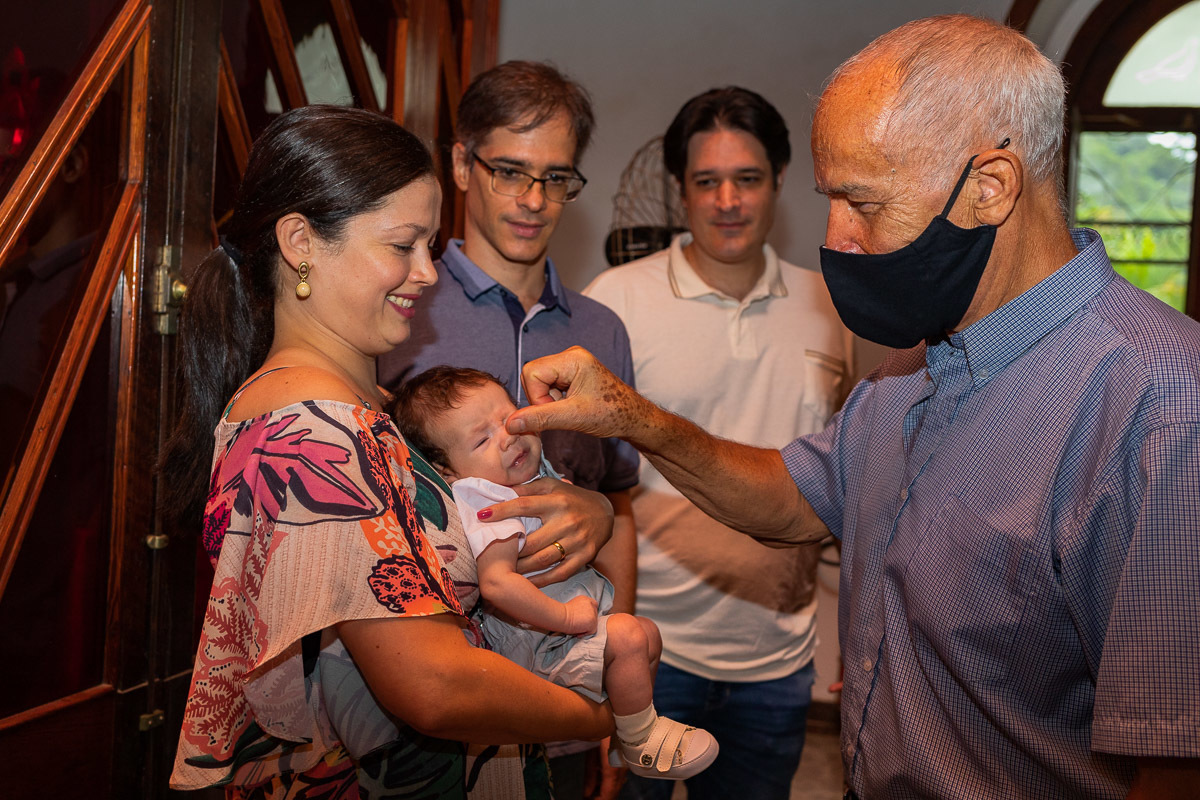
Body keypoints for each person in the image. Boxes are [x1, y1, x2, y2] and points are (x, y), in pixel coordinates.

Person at [503, 15, 1200, 800]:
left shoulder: (1161, 402)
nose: (837, 238)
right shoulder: (918, 360)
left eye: (863, 202)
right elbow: (795, 498)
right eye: (830, 199)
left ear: (992, 187)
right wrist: (635, 417)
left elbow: (1174, 762)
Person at [160, 105, 619, 799]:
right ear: (301, 243)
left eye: (430, 244)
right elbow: (431, 685)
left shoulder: (350, 409)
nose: (428, 273)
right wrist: (615, 712)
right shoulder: (317, 430)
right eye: (402, 245)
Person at [376, 59, 640, 795]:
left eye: (557, 178)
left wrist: (620, 682)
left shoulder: (600, 331)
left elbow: (617, 499)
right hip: (433, 702)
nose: (533, 200)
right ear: (461, 164)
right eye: (509, 172)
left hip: (569, 688)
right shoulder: (403, 306)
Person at [583, 86, 853, 800]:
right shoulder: (616, 301)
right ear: (680, 190)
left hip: (778, 659)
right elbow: (587, 483)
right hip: (648, 654)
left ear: (780, 182)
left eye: (748, 179)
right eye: (707, 181)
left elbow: (853, 475)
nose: (727, 200)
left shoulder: (828, 304)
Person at [392, 365, 718, 781]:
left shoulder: (525, 474)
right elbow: (496, 583)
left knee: (647, 634)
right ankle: (640, 740)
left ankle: (624, 734)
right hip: (533, 637)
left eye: (507, 417)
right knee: (632, 637)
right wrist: (565, 618)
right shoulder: (486, 503)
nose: (507, 435)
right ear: (451, 473)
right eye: (483, 438)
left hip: (558, 629)